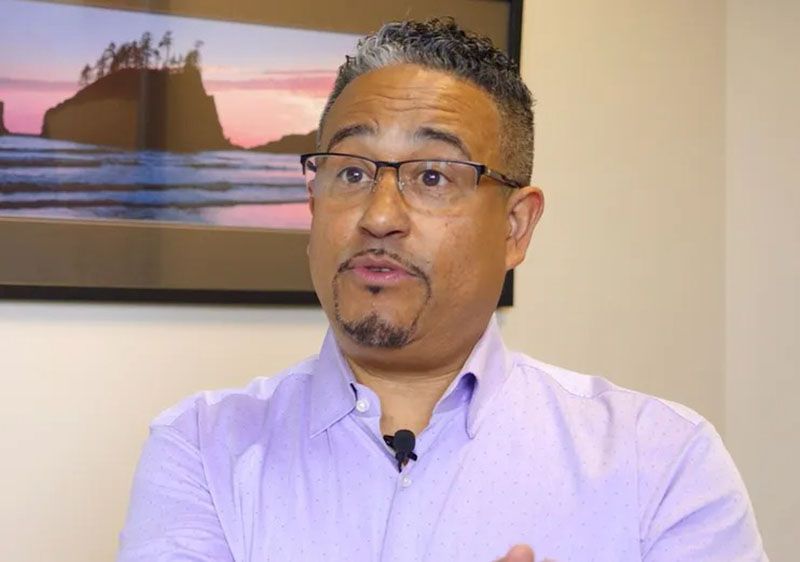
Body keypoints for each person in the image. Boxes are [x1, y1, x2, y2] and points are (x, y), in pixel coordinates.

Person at [117, 19, 766, 562]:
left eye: (432, 176)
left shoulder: (661, 461)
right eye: (351, 172)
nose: (378, 216)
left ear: (515, 227)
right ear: (313, 206)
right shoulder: (203, 447)